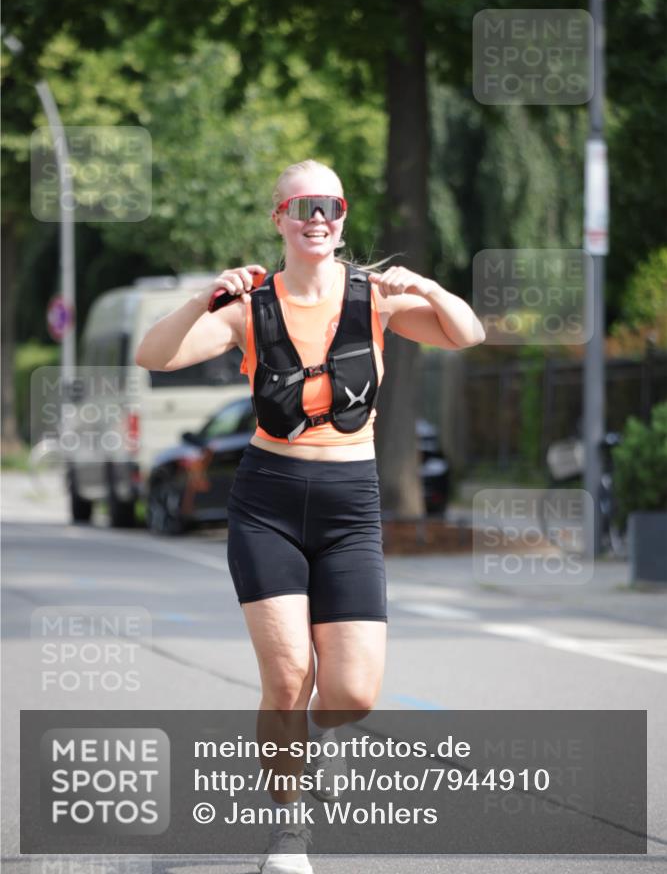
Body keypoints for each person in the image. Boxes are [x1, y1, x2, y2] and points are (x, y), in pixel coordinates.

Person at [135, 159, 485, 874]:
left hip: (349, 505)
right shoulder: (249, 307)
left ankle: (295, 750)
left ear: (342, 216)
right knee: (290, 674)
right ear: (280, 220)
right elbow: (153, 354)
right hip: (267, 499)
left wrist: (426, 286)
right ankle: (288, 828)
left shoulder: (374, 300)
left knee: (352, 692)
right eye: (301, 206)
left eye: (329, 205)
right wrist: (205, 298)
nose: (316, 216)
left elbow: (467, 333)